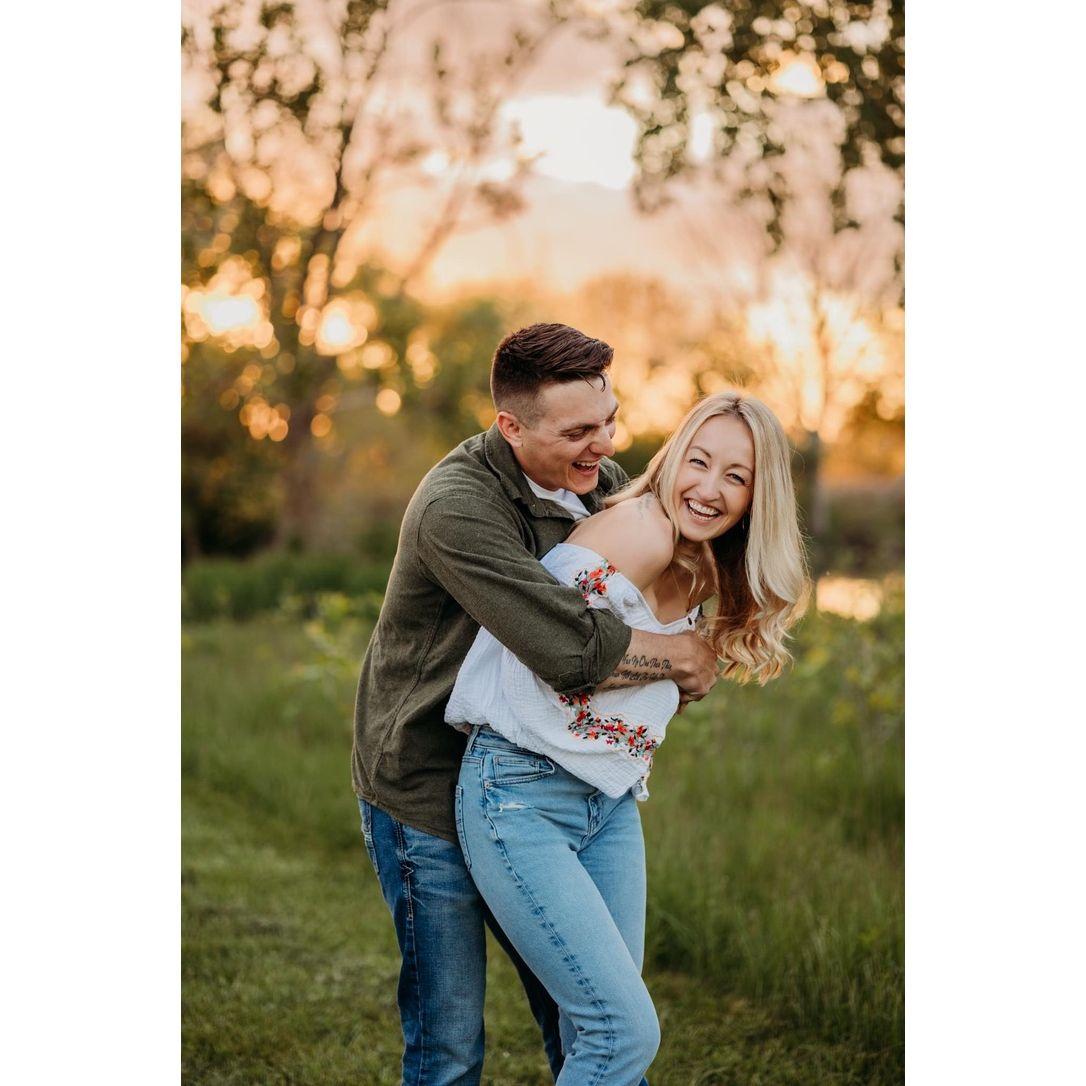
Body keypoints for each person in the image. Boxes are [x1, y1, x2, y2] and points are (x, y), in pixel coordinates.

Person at [351, 323, 720, 1086]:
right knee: (450, 1041)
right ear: (510, 426)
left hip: (546, 773)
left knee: (590, 1018)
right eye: (578, 432)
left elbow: (651, 594)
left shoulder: (600, 483)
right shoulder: (456, 507)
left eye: (609, 420)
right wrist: (681, 658)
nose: (604, 446)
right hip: (425, 784)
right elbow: (570, 650)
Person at [447, 392, 809, 1084]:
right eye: (698, 461)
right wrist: (674, 661)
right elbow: (549, 661)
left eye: (735, 476)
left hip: (607, 803)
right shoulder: (642, 530)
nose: (709, 488)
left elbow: (637, 686)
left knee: (601, 1030)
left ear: (758, 496)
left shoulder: (702, 564)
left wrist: (679, 668)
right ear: (672, 458)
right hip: (519, 794)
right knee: (621, 1032)